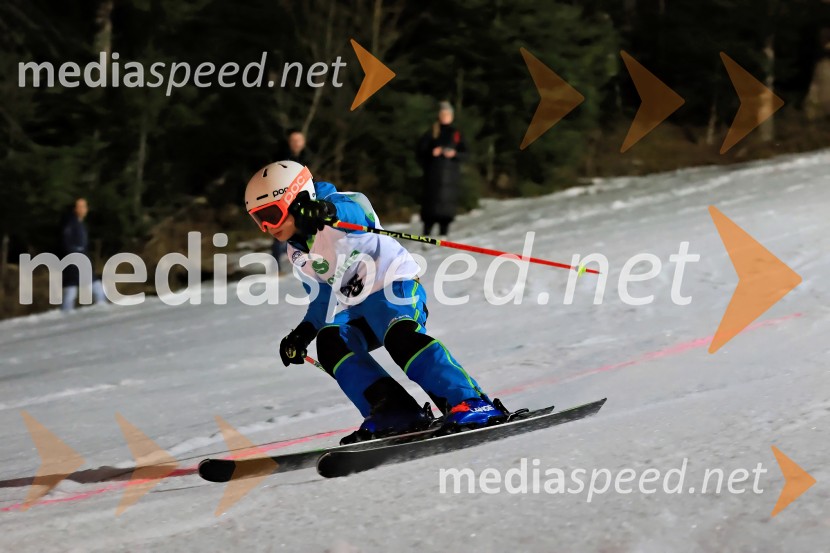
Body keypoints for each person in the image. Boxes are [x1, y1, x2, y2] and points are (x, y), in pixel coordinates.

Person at [244, 160, 506, 444]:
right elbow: (322, 298)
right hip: (356, 308)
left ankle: (471, 402)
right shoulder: (296, 250)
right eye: (259, 219)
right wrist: (303, 333)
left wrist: (327, 211)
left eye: (271, 215)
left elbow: (361, 211)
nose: (267, 227)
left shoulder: (339, 206)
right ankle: (396, 413)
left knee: (399, 337)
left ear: (298, 200)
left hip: (395, 289)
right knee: (331, 342)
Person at [416, 101, 467, 237]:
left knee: (446, 210)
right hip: (433, 177)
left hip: (451, 178)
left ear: (452, 116)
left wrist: (454, 154)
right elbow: (420, 152)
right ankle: (426, 236)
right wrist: (432, 153)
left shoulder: (456, 133)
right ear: (439, 115)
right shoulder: (431, 132)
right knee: (430, 209)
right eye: (443, 114)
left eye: (448, 114)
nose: (445, 117)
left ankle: (444, 236)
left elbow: (466, 153)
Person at [272, 129, 314, 272]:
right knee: (280, 233)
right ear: (289, 142)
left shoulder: (308, 157)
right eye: (293, 141)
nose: (296, 144)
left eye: (299, 140)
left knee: (307, 230)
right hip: (284, 201)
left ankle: (309, 263)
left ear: (304, 142)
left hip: (303, 199)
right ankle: (276, 267)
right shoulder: (281, 159)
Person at [61, 198, 106, 312]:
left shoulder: (79, 223)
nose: (84, 209)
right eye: (80, 207)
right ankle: (103, 309)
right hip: (76, 261)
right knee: (95, 287)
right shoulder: (71, 224)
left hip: (79, 261)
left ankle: (65, 312)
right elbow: (67, 243)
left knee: (72, 288)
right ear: (75, 209)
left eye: (85, 206)